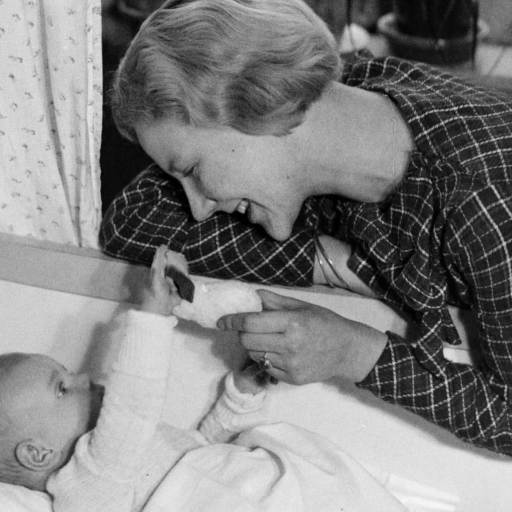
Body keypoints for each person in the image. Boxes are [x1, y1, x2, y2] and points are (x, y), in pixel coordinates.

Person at [100, 0, 512, 456]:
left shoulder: (484, 200)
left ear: (263, 102)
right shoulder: (352, 106)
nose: (197, 209)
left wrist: (354, 352)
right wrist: (334, 263)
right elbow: (132, 222)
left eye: (193, 168)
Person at [0, 246, 406, 512]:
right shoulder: (84, 490)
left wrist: (238, 399)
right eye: (62, 386)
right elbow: (132, 406)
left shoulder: (118, 459)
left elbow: (202, 452)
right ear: (37, 455)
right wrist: (151, 316)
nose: (84, 377)